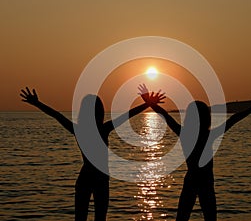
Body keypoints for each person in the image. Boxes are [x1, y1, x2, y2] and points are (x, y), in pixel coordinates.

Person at [20, 87, 165, 221]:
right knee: (98, 217)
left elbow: (56, 115)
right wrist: (148, 104)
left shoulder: (80, 130)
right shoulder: (102, 129)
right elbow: (127, 115)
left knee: (81, 217)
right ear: (100, 112)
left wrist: (37, 103)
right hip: (100, 178)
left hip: (87, 177)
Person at [138, 84, 251, 221]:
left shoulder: (186, 134)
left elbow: (166, 116)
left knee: (183, 216)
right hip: (205, 180)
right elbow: (233, 119)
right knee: (208, 217)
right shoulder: (208, 135)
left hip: (192, 179)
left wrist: (149, 103)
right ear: (206, 117)